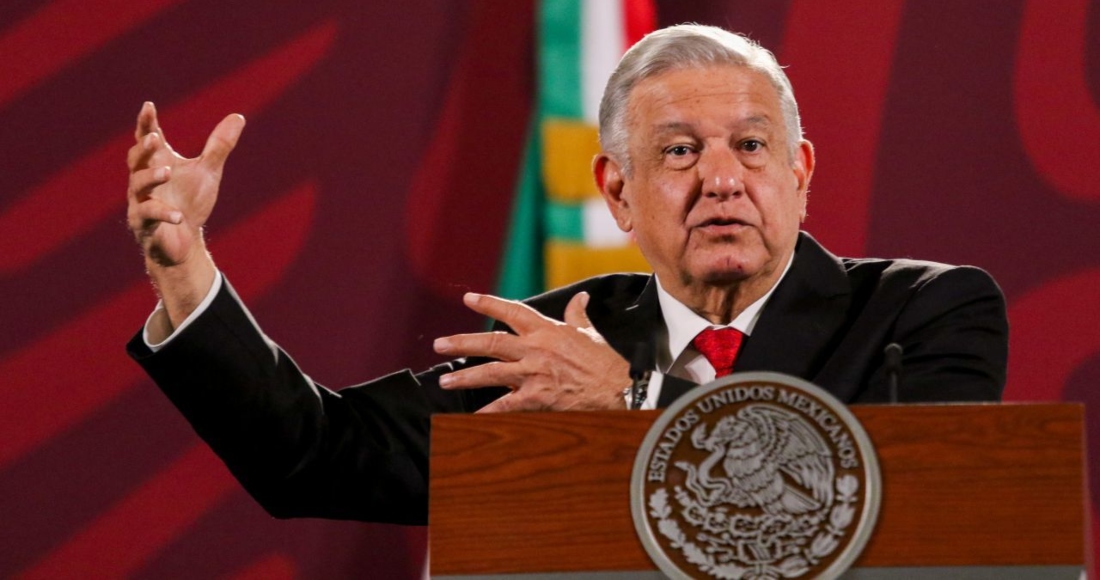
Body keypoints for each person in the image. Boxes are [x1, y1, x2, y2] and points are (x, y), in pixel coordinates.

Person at [125, 25, 1008, 525]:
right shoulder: (551, 352)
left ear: (801, 171)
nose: (723, 178)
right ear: (617, 192)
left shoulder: (923, 314)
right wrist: (185, 270)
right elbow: (317, 456)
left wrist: (631, 404)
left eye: (750, 146)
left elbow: (891, 508)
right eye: (679, 152)